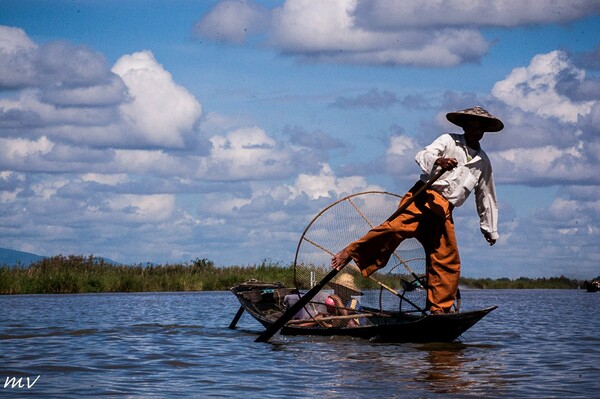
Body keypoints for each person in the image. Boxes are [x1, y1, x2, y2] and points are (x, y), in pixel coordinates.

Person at [331, 106, 503, 314]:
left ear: (484, 131)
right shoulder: (449, 140)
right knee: (393, 230)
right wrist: (438, 161)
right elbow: (424, 154)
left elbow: (486, 195)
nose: (475, 130)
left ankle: (439, 309)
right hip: (424, 197)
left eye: (479, 127)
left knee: (447, 259)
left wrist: (489, 229)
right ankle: (351, 252)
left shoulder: (483, 162)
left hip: (444, 211)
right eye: (471, 126)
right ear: (465, 127)